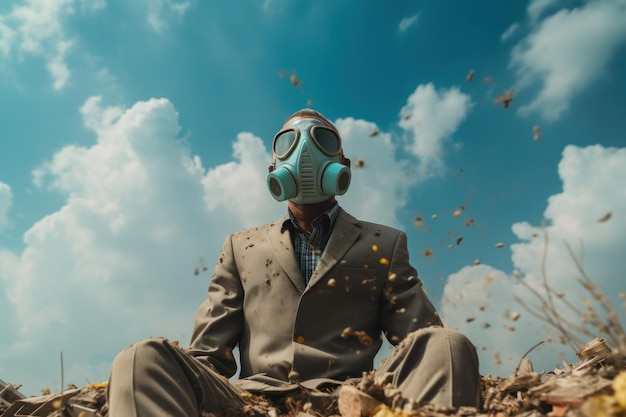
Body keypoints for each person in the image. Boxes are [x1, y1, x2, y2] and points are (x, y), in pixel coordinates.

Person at [107, 109, 481, 416]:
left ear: (342, 163)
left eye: (323, 140)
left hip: (348, 399)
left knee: (446, 344)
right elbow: (208, 356)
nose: (305, 150)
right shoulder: (241, 246)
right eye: (289, 142)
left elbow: (421, 339)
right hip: (252, 402)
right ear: (274, 165)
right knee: (143, 356)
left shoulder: (383, 243)